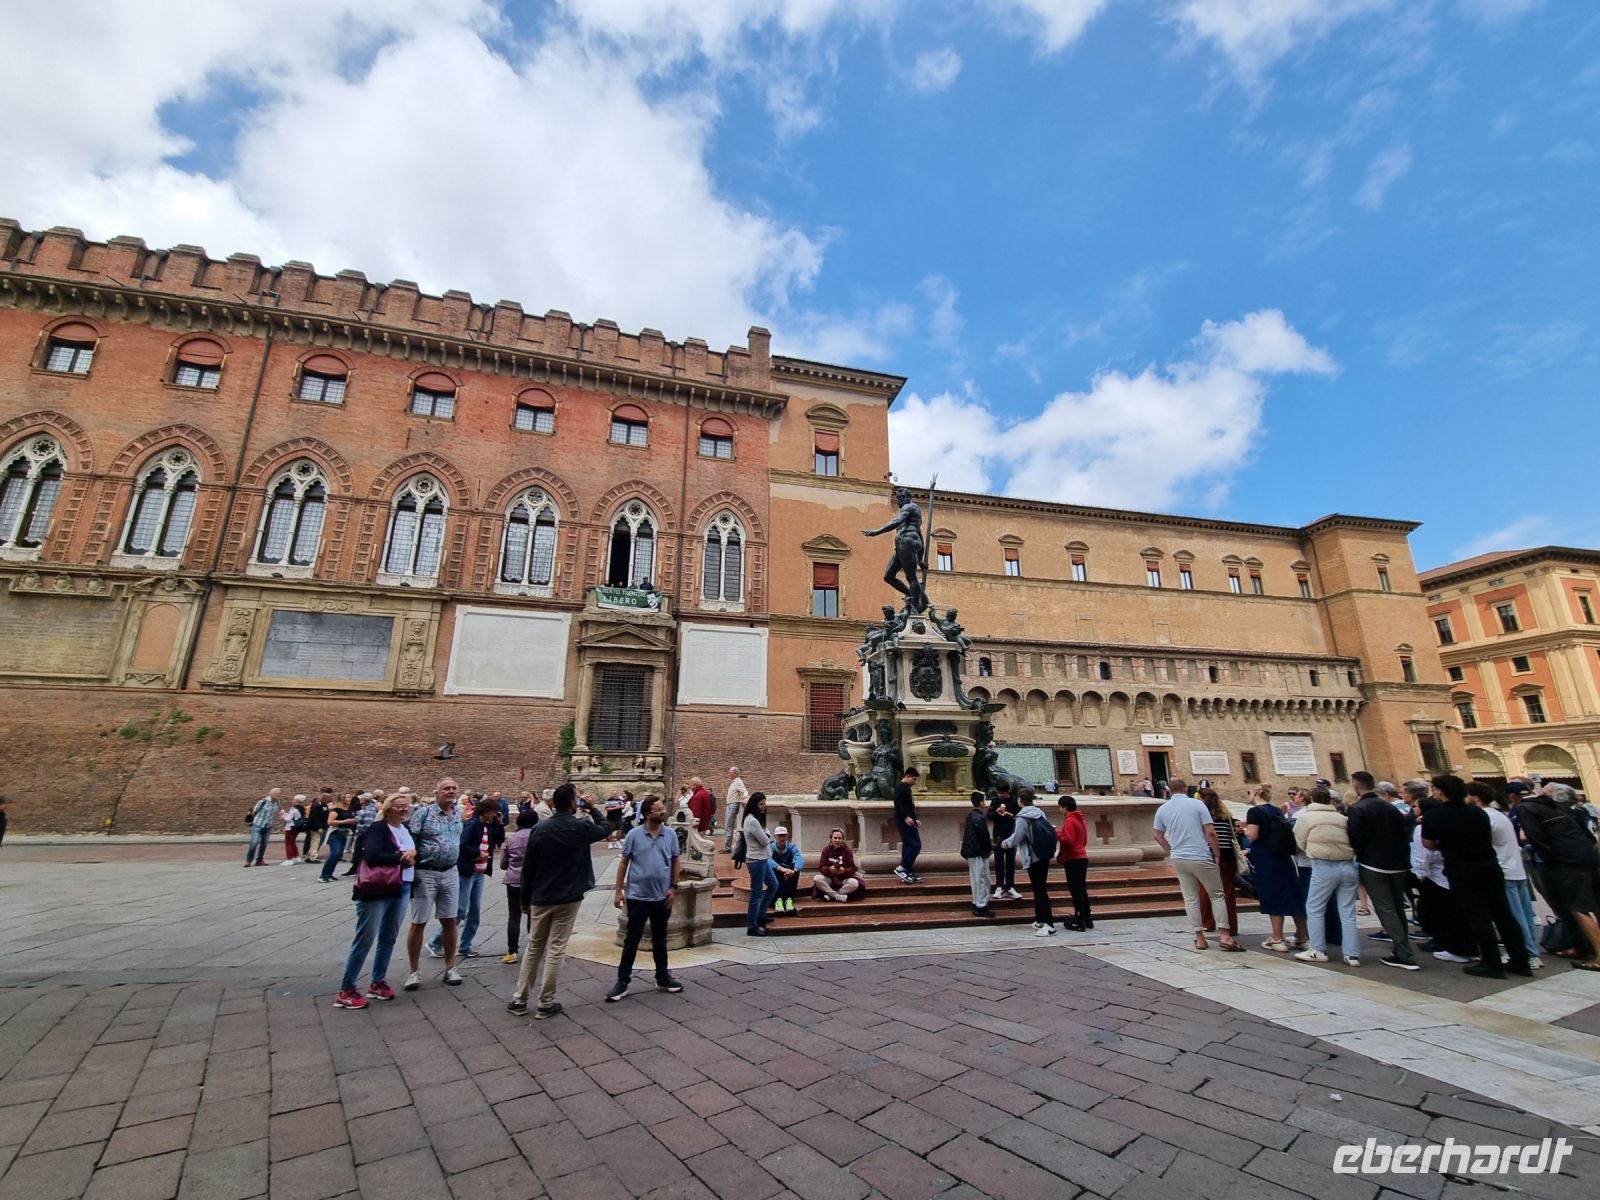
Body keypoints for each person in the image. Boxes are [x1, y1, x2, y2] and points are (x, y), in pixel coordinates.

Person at [507, 783, 616, 1018]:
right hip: (569, 896)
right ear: (572, 803)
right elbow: (605, 827)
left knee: (534, 946)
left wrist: (525, 898)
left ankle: (519, 999)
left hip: (541, 895)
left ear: (554, 803)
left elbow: (529, 868)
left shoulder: (540, 829)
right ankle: (546, 1003)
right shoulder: (580, 826)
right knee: (556, 948)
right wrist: (592, 808)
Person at [1421, 774, 1532, 979]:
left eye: (1435, 789)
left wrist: (1445, 844)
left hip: (1462, 870)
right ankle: (1521, 961)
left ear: (1442, 791)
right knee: (1503, 914)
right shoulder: (1478, 813)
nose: (1434, 793)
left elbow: (1428, 844)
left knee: (1478, 916)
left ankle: (1491, 963)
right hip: (1490, 867)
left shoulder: (1434, 816)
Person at [334, 793, 417, 1009]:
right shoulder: (379, 828)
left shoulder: (404, 829)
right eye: (399, 806)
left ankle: (377, 982)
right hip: (377, 889)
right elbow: (371, 855)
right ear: (388, 808)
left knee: (388, 938)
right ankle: (347, 989)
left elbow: (412, 854)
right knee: (365, 938)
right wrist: (401, 857)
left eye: (406, 806)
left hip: (401, 886)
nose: (403, 809)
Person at [1514, 783, 1600, 970]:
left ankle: (1598, 955)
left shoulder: (1527, 808)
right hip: (1587, 859)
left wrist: (1552, 861)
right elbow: (1590, 838)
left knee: (1579, 908)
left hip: (1564, 865)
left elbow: (1535, 839)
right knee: (1592, 905)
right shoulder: (1570, 811)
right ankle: (1583, 947)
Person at [608, 794, 684, 1001]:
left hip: (662, 897)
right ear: (648, 813)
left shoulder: (670, 835)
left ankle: (662, 977)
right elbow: (624, 862)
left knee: (660, 939)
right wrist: (618, 891)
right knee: (631, 939)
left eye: (662, 808)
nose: (663, 812)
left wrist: (674, 887)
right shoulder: (634, 835)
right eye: (659, 809)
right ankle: (622, 981)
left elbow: (676, 861)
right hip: (637, 897)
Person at [1153, 778, 1240, 951]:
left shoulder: (1162, 808)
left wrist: (1171, 851)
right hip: (1200, 854)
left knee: (1190, 898)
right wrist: (1216, 853)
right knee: (1216, 895)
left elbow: (1157, 835)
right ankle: (1225, 936)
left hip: (1179, 857)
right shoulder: (1197, 805)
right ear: (1185, 789)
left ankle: (1199, 938)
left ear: (1170, 790)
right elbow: (1210, 832)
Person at [1346, 771, 1419, 970]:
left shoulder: (1358, 809)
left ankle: (1404, 954)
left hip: (1373, 864)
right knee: (1397, 908)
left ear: (1356, 786)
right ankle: (1400, 949)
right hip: (1398, 863)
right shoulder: (1391, 808)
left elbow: (1356, 840)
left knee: (1385, 908)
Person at [1463, 781, 1539, 969]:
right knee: (1524, 915)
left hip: (1504, 871)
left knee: (1514, 917)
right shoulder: (1498, 814)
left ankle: (1529, 954)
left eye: (1466, 795)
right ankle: (1531, 951)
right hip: (1515, 869)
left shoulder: (1485, 817)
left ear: (1475, 797)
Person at [403, 779, 465, 990]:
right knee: (419, 921)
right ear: (437, 792)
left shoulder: (458, 813)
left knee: (450, 921)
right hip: (425, 872)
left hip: (450, 871)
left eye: (454, 789)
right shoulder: (424, 813)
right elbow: (410, 837)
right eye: (446, 789)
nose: (450, 792)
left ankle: (450, 968)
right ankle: (413, 971)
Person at [1292, 787, 1361, 966]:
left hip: (1324, 864)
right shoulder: (1341, 817)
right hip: (1347, 865)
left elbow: (1299, 839)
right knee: (1347, 911)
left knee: (1314, 907)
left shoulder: (1306, 817)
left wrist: (1311, 849)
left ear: (1312, 799)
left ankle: (1318, 950)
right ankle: (1352, 954)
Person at [429, 797, 501, 960]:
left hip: (479, 873)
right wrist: (477, 853)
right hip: (467, 872)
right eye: (493, 812)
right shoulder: (472, 825)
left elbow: (499, 840)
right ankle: (436, 941)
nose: (495, 814)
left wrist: (498, 823)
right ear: (486, 811)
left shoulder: (487, 825)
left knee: (474, 911)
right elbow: (462, 845)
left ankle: (465, 944)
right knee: (461, 910)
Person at [1243, 785, 1308, 951]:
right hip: (1283, 855)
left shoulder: (1254, 812)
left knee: (1272, 893)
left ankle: (1277, 938)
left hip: (1266, 857)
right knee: (1291, 892)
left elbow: (1253, 835)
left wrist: (1244, 829)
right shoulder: (1276, 810)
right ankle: (1303, 935)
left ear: (1256, 794)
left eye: (1249, 793)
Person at [1003, 787, 1057, 936]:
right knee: (1039, 888)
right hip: (1043, 854)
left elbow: (1017, 837)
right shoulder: (1039, 812)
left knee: (1039, 890)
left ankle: (1049, 924)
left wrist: (1005, 843)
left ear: (1020, 800)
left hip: (1033, 856)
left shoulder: (1023, 817)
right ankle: (1040, 919)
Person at [1194, 789, 1240, 940]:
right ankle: (1231, 926)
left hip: (1209, 855)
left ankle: (1208, 922)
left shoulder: (1202, 816)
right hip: (1228, 855)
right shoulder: (1226, 816)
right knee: (1227, 891)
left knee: (1206, 890)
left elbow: (1207, 834)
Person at [500, 810, 535, 964]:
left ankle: (512, 951)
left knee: (514, 916)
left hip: (513, 880)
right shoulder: (537, 836)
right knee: (533, 915)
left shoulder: (511, 839)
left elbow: (503, 864)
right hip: (534, 881)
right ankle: (533, 948)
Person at [742, 792, 778, 936]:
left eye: (764, 804)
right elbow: (765, 840)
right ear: (754, 805)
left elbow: (764, 836)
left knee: (774, 885)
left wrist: (765, 833)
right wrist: (767, 834)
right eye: (761, 804)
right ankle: (752, 926)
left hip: (762, 859)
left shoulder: (754, 820)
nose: (764, 807)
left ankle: (761, 914)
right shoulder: (752, 821)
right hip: (756, 861)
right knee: (756, 894)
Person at [1056, 796, 1091, 930]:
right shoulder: (1080, 819)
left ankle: (1079, 918)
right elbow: (1084, 839)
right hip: (1082, 856)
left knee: (1075, 889)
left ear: (1064, 807)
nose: (1060, 809)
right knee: (1082, 889)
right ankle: (1087, 917)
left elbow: (1068, 840)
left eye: (1060, 807)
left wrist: (1057, 833)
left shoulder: (1070, 820)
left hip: (1073, 858)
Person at [961, 791, 995, 918]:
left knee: (975, 879)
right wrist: (989, 848)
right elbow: (984, 837)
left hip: (970, 851)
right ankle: (981, 905)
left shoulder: (971, 815)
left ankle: (976, 903)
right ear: (981, 802)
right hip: (979, 852)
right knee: (982, 879)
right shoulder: (980, 818)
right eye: (984, 800)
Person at [989, 781, 1021, 901]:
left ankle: (1010, 886)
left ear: (1007, 792)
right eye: (999, 793)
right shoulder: (995, 801)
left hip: (1011, 836)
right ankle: (999, 886)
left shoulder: (1014, 801)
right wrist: (997, 813)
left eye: (1002, 793)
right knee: (998, 862)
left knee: (1010, 862)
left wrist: (1010, 815)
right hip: (998, 836)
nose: (1000, 795)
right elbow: (989, 815)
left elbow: (1019, 815)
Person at [812, 829, 864, 901]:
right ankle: (837, 896)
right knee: (817, 878)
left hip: (843, 878)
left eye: (840, 838)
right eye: (835, 838)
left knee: (854, 883)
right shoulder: (826, 850)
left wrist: (844, 871)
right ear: (831, 839)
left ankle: (832, 896)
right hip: (830, 878)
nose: (837, 840)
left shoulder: (847, 850)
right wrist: (829, 869)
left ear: (842, 839)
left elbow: (852, 868)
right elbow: (821, 867)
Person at [893, 767, 923, 884]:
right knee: (916, 845)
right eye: (914, 779)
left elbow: (909, 806)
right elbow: (898, 804)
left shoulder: (906, 788)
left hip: (907, 820)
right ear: (907, 776)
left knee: (908, 844)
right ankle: (902, 868)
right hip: (903, 820)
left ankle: (907, 871)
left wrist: (915, 819)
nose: (915, 782)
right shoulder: (901, 787)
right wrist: (906, 817)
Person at [319, 794, 358, 882]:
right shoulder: (336, 810)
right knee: (335, 853)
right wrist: (345, 821)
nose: (349, 799)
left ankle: (330, 874)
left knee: (338, 854)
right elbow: (330, 822)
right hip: (335, 834)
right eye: (347, 797)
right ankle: (324, 875)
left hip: (344, 834)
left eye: (350, 797)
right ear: (342, 799)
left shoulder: (350, 809)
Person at [344, 791, 380, 878]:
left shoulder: (368, 810)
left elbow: (368, 824)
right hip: (362, 834)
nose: (359, 800)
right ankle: (355, 869)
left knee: (359, 852)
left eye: (361, 799)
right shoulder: (366, 808)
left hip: (363, 835)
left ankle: (357, 869)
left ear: (365, 800)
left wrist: (362, 834)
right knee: (358, 852)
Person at [769, 827, 803, 915]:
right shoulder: (769, 847)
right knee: (774, 871)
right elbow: (768, 860)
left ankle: (789, 899)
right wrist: (782, 869)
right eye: (780, 836)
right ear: (775, 837)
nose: (782, 838)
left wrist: (794, 870)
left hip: (788, 872)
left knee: (795, 871)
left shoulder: (791, 846)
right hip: (776, 871)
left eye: (784, 836)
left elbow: (799, 858)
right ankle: (778, 900)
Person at [245, 787, 281, 867]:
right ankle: (249, 861)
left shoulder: (277, 802)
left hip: (268, 826)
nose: (278, 795)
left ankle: (259, 860)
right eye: (276, 793)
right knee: (254, 842)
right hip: (258, 825)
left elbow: (274, 812)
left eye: (279, 793)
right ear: (271, 793)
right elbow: (255, 811)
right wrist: (255, 821)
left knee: (264, 844)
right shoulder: (263, 801)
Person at [722, 767, 750, 853]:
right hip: (730, 805)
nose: (728, 774)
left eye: (730, 772)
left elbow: (745, 791)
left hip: (733, 805)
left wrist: (744, 796)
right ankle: (727, 846)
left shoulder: (738, 782)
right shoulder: (734, 782)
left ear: (735, 773)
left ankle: (727, 847)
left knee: (728, 826)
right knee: (728, 826)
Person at [303, 789, 332, 862]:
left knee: (315, 841)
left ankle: (309, 855)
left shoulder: (324, 805)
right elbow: (315, 817)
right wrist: (319, 827)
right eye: (327, 799)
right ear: (323, 798)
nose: (328, 801)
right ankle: (313, 857)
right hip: (315, 827)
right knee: (316, 841)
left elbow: (325, 815)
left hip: (322, 826)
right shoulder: (316, 805)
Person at [281, 794, 305, 864]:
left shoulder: (293, 809)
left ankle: (290, 858)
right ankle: (296, 857)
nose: (292, 801)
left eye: (293, 799)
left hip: (290, 827)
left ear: (297, 801)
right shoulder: (301, 808)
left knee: (288, 843)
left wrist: (283, 814)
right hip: (297, 827)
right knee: (292, 842)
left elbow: (288, 819)